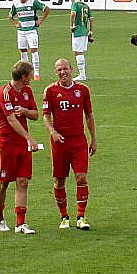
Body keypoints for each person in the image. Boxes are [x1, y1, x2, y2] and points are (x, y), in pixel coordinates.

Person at [42, 57, 97, 230]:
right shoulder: (50, 91)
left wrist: (93, 139)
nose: (62, 72)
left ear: (71, 69)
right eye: (59, 69)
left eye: (65, 68)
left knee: (81, 177)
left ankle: (81, 217)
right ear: (55, 72)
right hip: (59, 142)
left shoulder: (83, 90)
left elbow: (89, 115)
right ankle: (64, 216)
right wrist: (53, 132)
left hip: (78, 140)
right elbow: (46, 115)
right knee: (59, 180)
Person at [0, 60, 41, 234]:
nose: (32, 77)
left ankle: (21, 223)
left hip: (23, 145)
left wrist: (25, 111)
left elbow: (36, 115)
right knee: (3, 182)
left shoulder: (27, 91)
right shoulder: (4, 93)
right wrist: (29, 137)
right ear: (23, 76)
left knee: (23, 181)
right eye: (30, 74)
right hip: (6, 144)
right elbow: (11, 119)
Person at [9, 0, 48, 81]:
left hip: (31, 31)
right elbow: (10, 15)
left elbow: (46, 9)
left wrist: (41, 21)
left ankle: (36, 73)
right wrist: (16, 23)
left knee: (34, 50)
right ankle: (24, 72)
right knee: (23, 51)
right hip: (21, 32)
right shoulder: (16, 4)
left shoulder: (33, 2)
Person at [68, 0, 94, 81]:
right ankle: (82, 73)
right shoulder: (86, 5)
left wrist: (72, 25)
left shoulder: (75, 4)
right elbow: (91, 19)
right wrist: (91, 31)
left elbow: (72, 14)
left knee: (77, 52)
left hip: (78, 30)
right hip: (85, 31)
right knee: (80, 52)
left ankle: (82, 75)